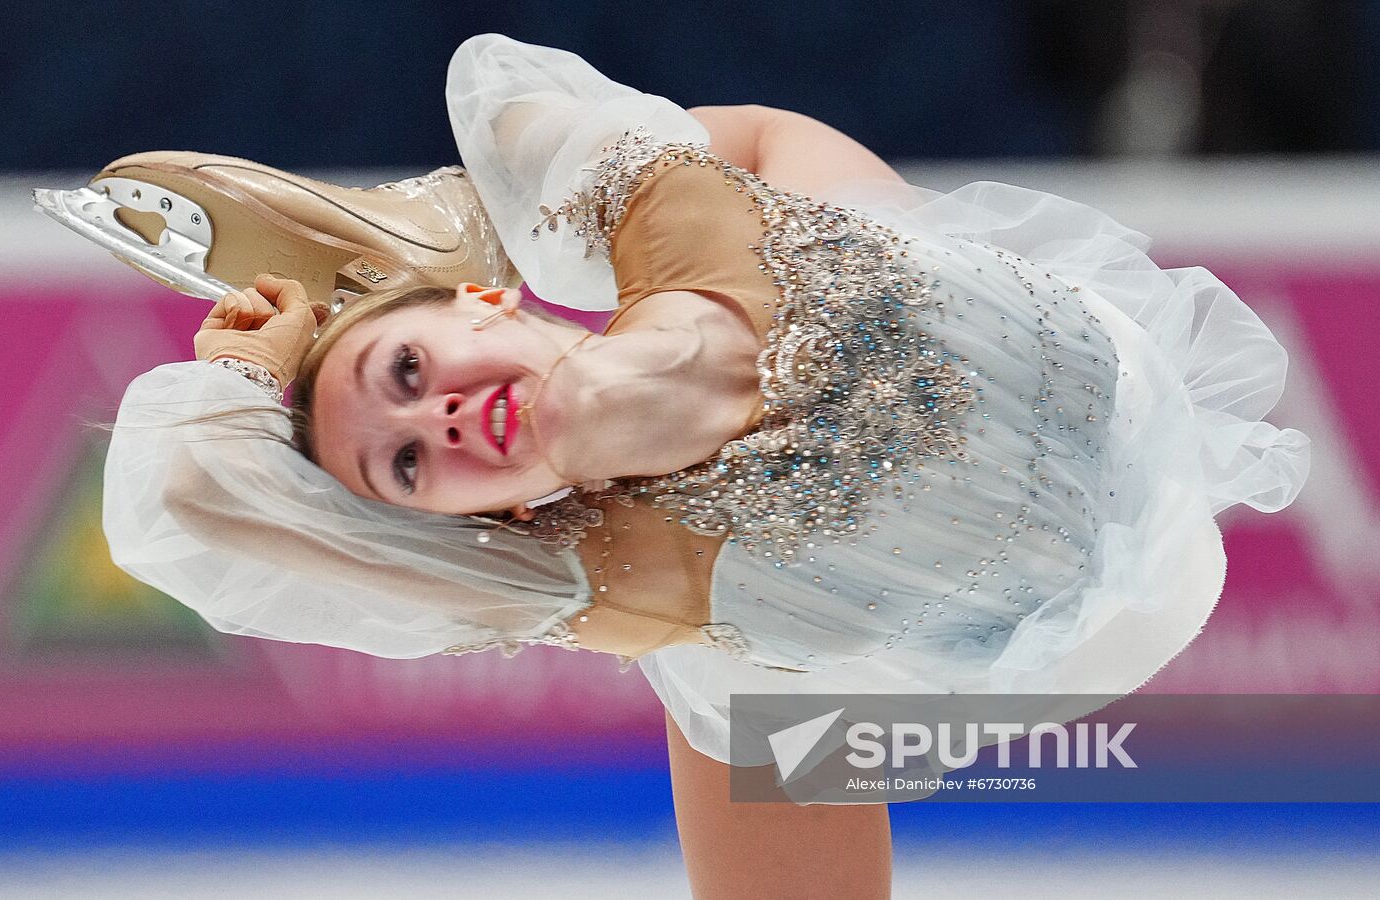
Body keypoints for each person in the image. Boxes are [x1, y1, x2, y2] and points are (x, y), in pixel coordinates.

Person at [91, 30, 1306, 820]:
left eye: (410, 367)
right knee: (727, 715)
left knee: (765, 185)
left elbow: (530, 116)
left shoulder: (688, 233)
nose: (441, 417)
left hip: (1102, 375)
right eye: (404, 461)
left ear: (482, 297)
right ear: (471, 515)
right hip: (1090, 635)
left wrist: (404, 232)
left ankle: (441, 253)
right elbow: (192, 502)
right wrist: (246, 378)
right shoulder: (607, 572)